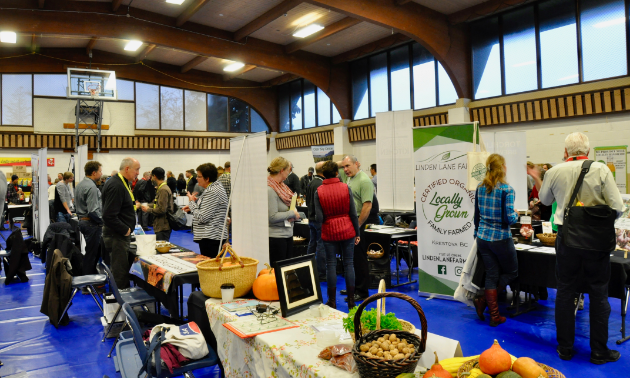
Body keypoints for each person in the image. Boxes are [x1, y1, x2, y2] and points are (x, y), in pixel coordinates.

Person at [530, 132, 623, 364]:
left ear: (565, 152)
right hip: (596, 241)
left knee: (565, 291)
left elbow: (545, 201)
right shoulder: (600, 170)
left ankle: (565, 348)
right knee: (599, 293)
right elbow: (617, 207)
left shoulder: (554, 171)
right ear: (588, 151)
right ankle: (599, 351)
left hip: (566, 238)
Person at [472, 154, 519, 327]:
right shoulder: (507, 190)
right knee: (512, 272)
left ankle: (493, 314)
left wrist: (476, 233)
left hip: (483, 237)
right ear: (503, 167)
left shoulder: (480, 187)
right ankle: (485, 302)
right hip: (500, 238)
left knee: (491, 274)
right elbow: (509, 219)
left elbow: (476, 216)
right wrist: (517, 214)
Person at [314, 161, 360, 309]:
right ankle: (352, 301)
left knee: (331, 265)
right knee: (349, 264)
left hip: (329, 231)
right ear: (336, 173)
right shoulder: (346, 188)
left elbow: (319, 218)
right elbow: (353, 213)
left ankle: (332, 301)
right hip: (347, 229)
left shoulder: (318, 191)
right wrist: (357, 233)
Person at [338, 155, 378, 302]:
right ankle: (352, 287)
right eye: (344, 167)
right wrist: (343, 162)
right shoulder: (349, 177)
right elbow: (329, 166)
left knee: (359, 259)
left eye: (348, 166)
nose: (345, 169)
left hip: (360, 225)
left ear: (357, 164)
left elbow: (367, 206)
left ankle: (362, 291)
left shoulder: (364, 181)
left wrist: (357, 227)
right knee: (351, 259)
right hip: (350, 225)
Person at [102, 157, 140, 289]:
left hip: (118, 235)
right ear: (127, 169)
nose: (138, 173)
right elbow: (108, 215)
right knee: (120, 271)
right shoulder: (116, 185)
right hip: (117, 235)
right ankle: (121, 304)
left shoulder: (122, 183)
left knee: (120, 268)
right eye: (137, 170)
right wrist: (125, 229)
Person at [183, 163, 228, 258]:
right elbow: (209, 211)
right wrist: (193, 206)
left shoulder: (212, 191)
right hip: (211, 237)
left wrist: (191, 203)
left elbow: (203, 217)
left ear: (207, 179)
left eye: (199, 176)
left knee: (211, 269)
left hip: (211, 238)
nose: (196, 178)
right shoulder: (213, 188)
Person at [267, 157, 300, 264]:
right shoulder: (270, 190)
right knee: (277, 274)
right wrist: (291, 213)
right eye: (288, 170)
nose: (289, 173)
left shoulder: (282, 186)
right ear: (282, 170)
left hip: (287, 235)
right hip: (276, 238)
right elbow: (272, 217)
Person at [75, 161, 104, 275]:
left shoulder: (80, 184)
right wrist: (103, 221)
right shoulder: (91, 187)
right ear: (94, 172)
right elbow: (93, 211)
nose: (101, 174)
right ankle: (88, 283)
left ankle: (89, 279)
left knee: (92, 252)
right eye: (100, 171)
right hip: (91, 223)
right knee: (92, 254)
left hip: (83, 222)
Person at [306, 162, 326, 281]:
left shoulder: (311, 183)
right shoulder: (321, 184)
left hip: (311, 218)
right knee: (321, 245)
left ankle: (309, 268)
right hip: (319, 219)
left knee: (312, 243)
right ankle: (321, 273)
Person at [142, 167, 173, 242]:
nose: (151, 179)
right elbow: (157, 204)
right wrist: (144, 205)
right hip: (160, 226)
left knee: (161, 248)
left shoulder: (163, 190)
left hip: (163, 226)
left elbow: (161, 209)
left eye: (151, 176)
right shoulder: (161, 188)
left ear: (154, 176)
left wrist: (148, 209)